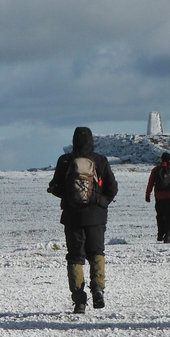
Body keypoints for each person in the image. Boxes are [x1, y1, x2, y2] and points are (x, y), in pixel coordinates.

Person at [48, 127, 118, 313]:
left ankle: (79, 301)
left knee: (75, 257)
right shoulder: (100, 160)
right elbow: (112, 187)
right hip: (96, 216)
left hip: (72, 217)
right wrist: (101, 201)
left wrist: (69, 197)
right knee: (96, 253)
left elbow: (55, 187)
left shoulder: (65, 161)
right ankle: (98, 290)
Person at [145, 152, 170, 244]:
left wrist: (148, 194)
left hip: (159, 196)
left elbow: (150, 182)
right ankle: (167, 236)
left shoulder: (155, 169)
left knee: (160, 215)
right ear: (169, 159)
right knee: (169, 216)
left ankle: (160, 234)